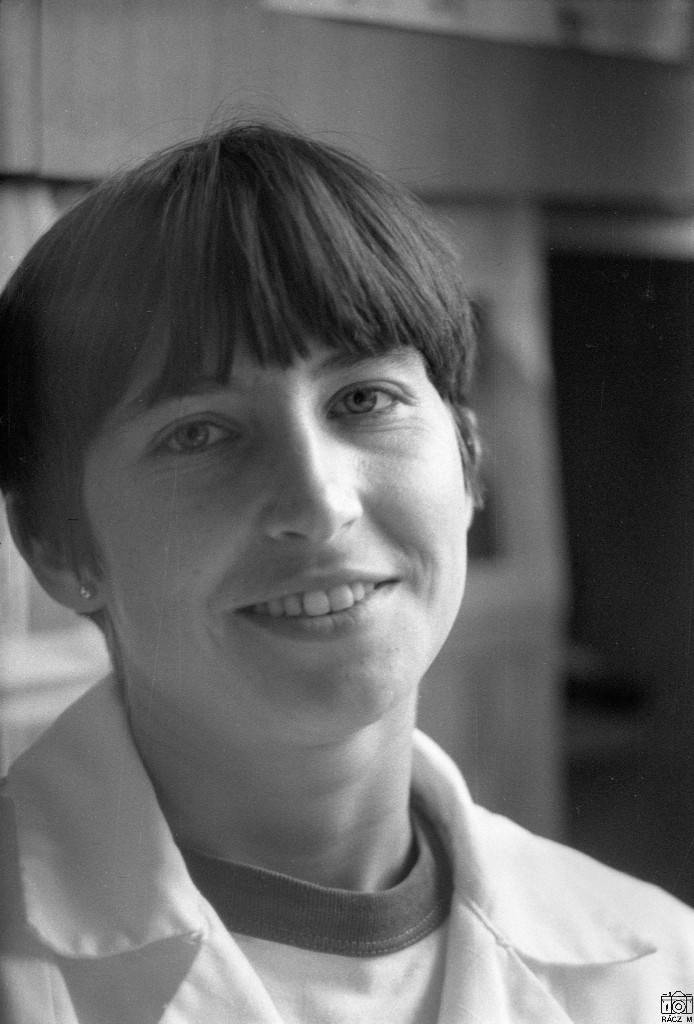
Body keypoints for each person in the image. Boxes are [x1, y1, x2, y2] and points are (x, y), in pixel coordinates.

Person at [0, 121, 692, 1024]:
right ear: (57, 545)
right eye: (198, 433)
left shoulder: (662, 973)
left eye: (364, 399)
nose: (319, 503)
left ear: (470, 460)